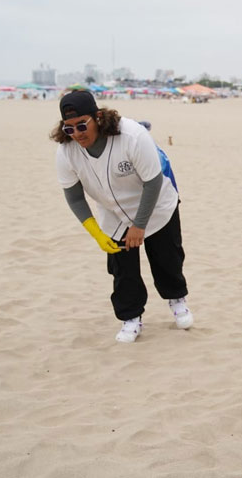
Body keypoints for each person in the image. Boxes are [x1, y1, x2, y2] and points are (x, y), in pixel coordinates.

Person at [50, 90, 194, 342]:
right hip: (113, 213)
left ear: (97, 117)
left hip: (156, 204)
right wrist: (96, 233)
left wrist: (139, 226)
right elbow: (74, 197)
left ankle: (177, 299)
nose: (77, 133)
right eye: (69, 128)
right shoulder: (66, 152)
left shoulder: (132, 136)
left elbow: (153, 181)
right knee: (123, 270)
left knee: (167, 258)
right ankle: (131, 317)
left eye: (82, 125)